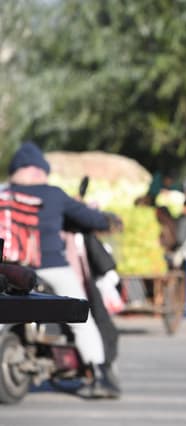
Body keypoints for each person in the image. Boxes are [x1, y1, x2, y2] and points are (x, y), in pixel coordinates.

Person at [7, 141, 121, 398]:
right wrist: (108, 218)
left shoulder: (3, 194)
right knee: (81, 318)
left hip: (9, 271)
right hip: (51, 267)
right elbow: (93, 220)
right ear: (37, 171)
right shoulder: (54, 194)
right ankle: (100, 374)